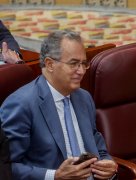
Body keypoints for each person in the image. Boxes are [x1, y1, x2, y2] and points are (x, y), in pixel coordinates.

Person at [0, 30, 118, 180]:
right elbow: (6, 166)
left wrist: (109, 167)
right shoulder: (21, 104)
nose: (81, 71)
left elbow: (99, 150)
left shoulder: (84, 98)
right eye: (74, 64)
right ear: (50, 64)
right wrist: (54, 176)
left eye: (83, 63)